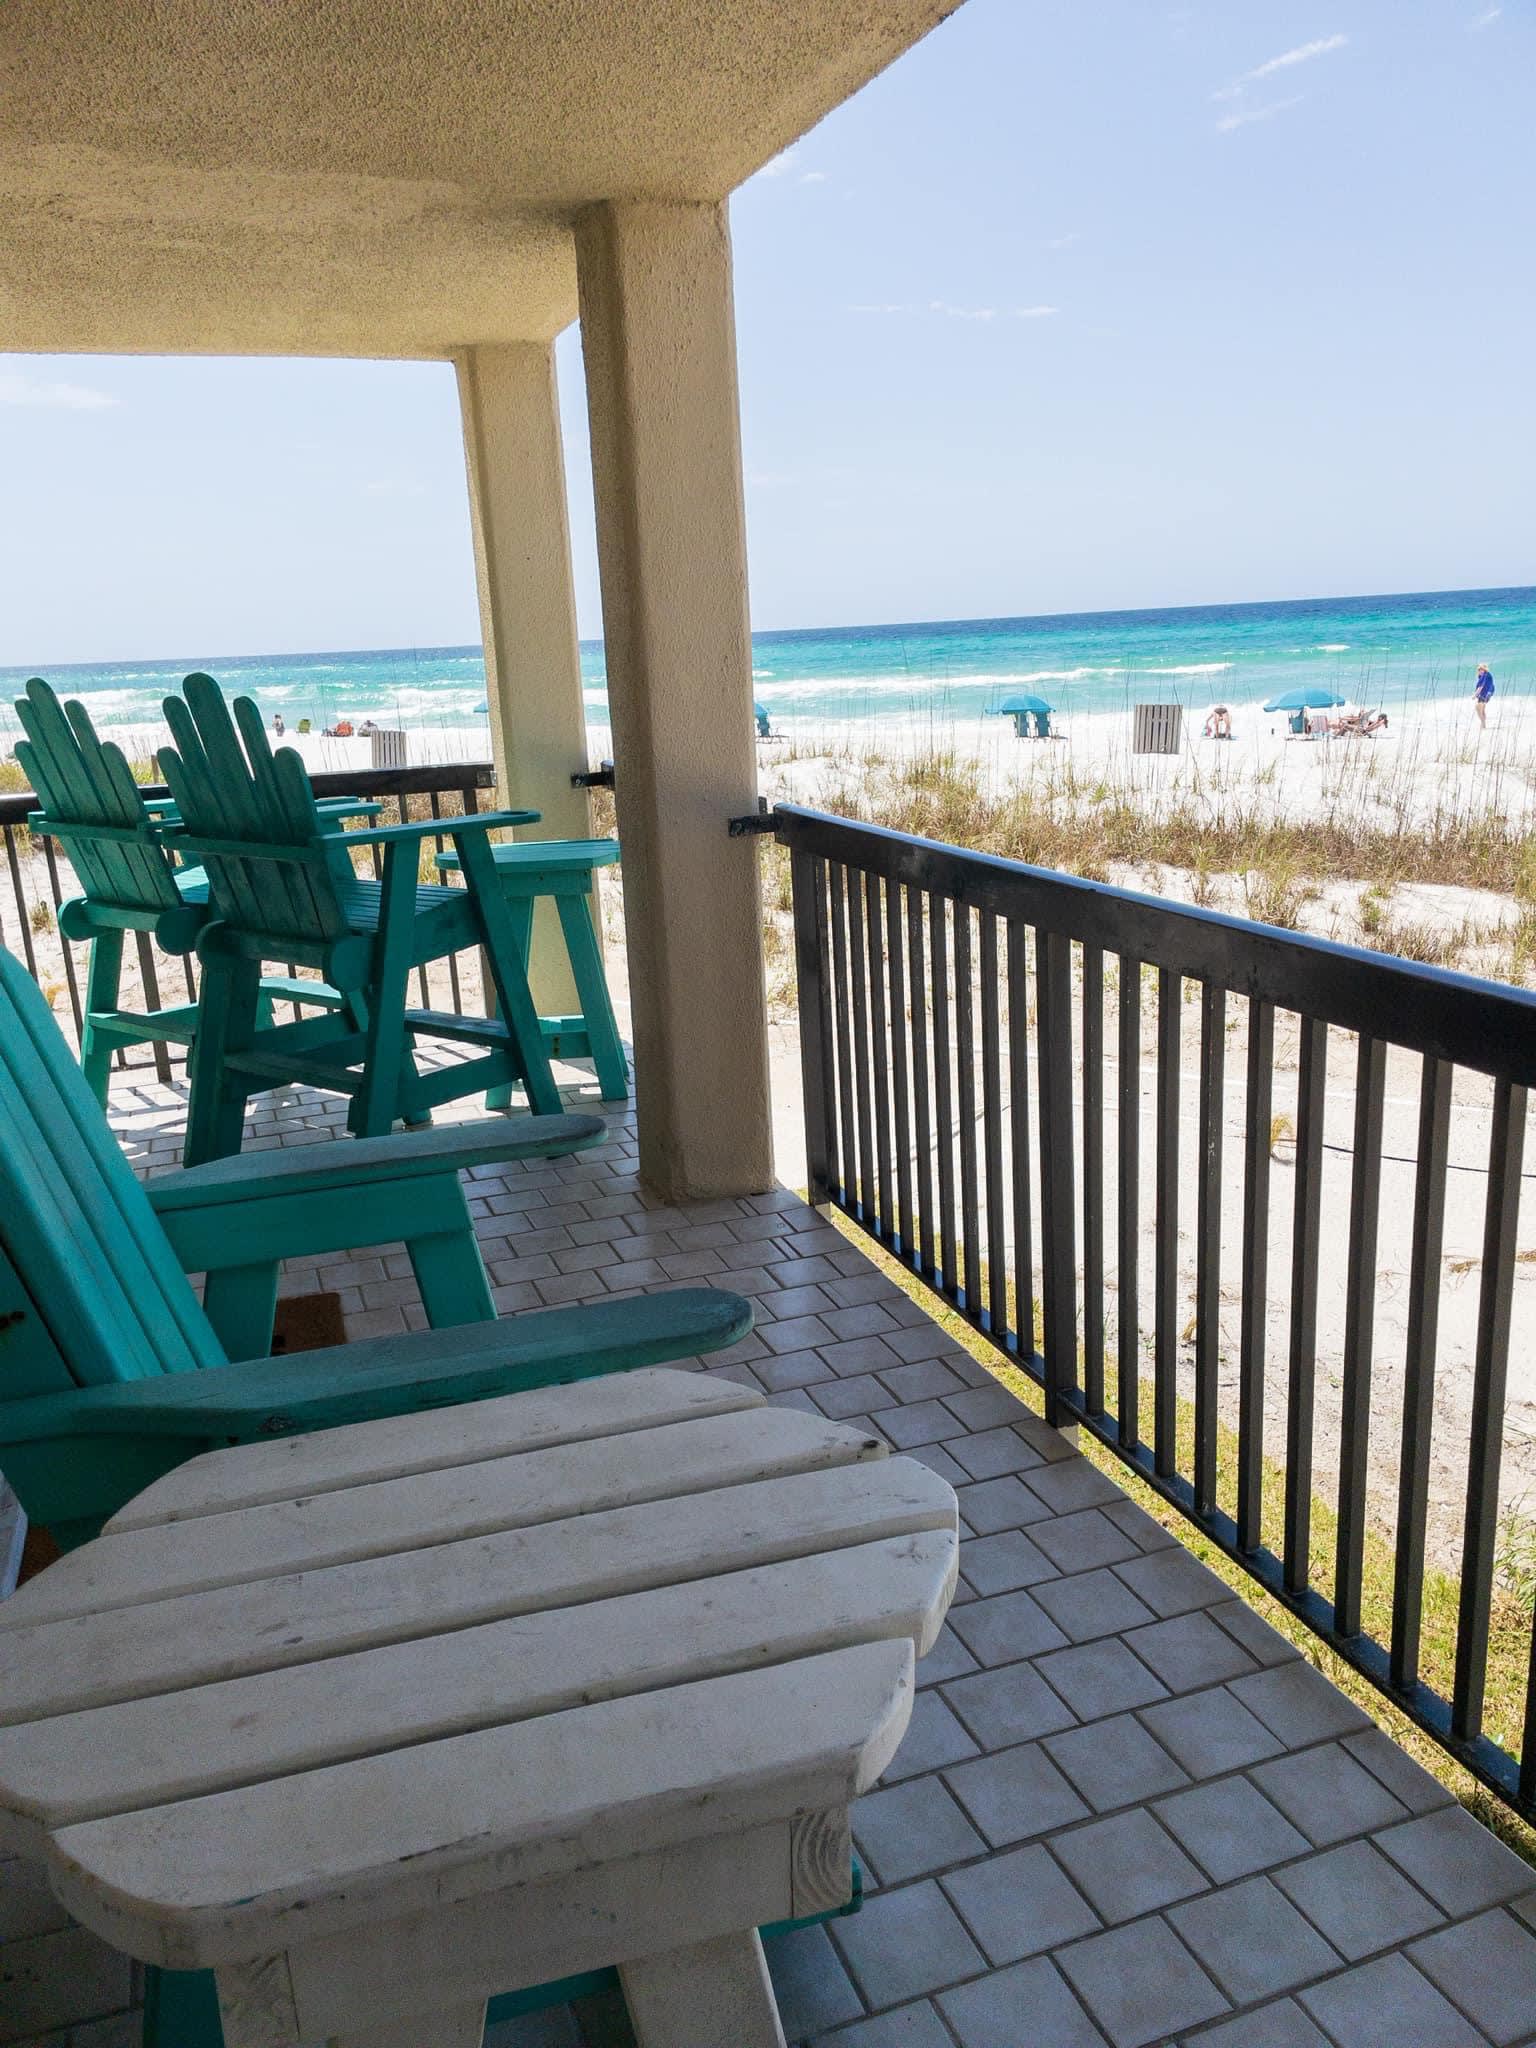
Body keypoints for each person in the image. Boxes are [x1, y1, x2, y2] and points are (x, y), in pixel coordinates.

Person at [1474, 662, 1495, 728]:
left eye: (1481, 669)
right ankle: (1483, 724)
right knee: (1482, 709)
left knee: (1477, 707)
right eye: (1479, 669)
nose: (1480, 670)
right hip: (1488, 693)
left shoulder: (1485, 675)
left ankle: (1483, 723)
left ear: (1485, 669)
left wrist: (1475, 695)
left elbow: (1481, 686)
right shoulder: (1485, 675)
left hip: (1485, 694)